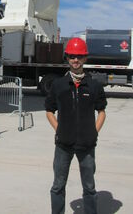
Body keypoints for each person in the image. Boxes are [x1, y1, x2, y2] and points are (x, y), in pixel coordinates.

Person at [45, 37, 107, 214]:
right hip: (63, 145)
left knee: (89, 186)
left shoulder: (94, 86)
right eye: (72, 56)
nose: (75, 60)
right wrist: (59, 129)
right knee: (58, 185)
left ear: (85, 59)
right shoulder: (59, 85)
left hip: (87, 146)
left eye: (79, 57)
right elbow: (49, 110)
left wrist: (93, 132)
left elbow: (102, 111)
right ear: (67, 58)